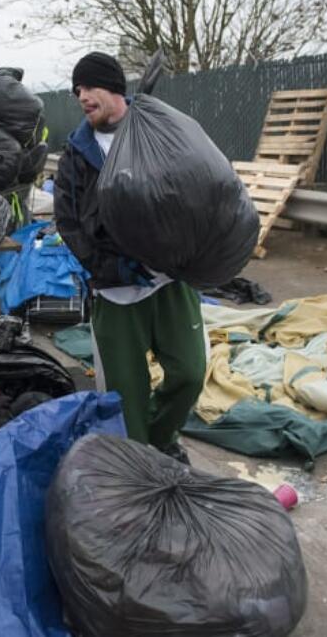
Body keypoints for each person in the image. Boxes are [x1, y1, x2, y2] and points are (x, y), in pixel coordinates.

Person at [52, 51, 206, 462]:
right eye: (77, 91)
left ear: (114, 87)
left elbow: (197, 184)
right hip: (116, 292)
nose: (82, 96)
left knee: (190, 374)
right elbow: (69, 225)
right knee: (126, 396)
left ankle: (160, 439)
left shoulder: (156, 128)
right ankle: (143, 467)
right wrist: (112, 268)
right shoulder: (76, 154)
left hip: (170, 281)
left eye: (89, 87)